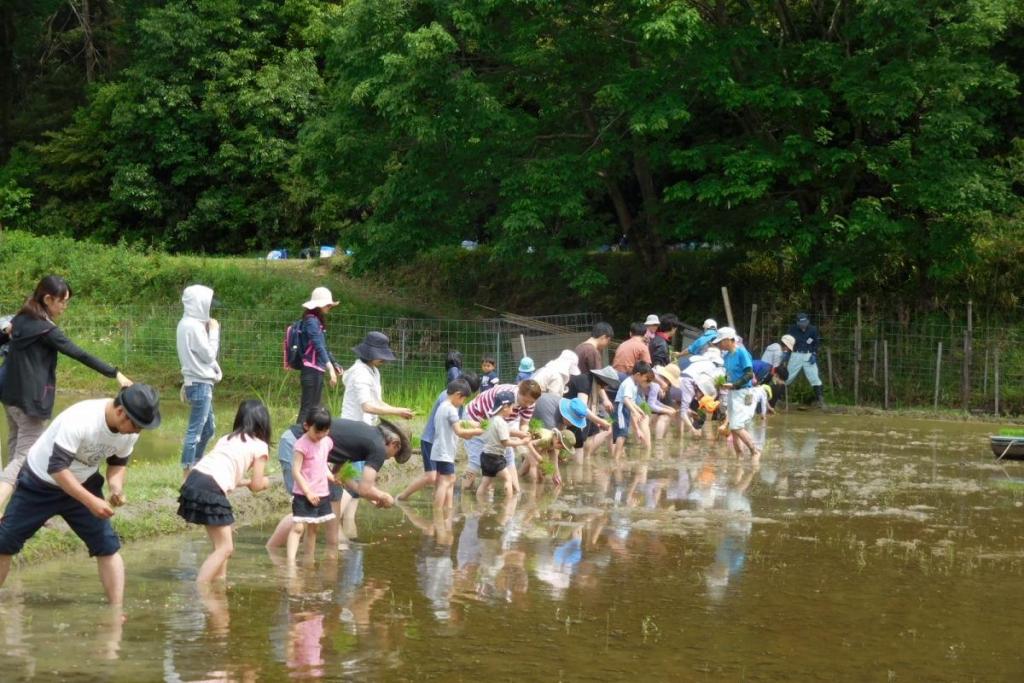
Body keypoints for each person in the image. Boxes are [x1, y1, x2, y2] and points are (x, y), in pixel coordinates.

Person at [0, 384, 161, 605]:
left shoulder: (130, 433)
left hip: (84, 480)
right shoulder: (81, 419)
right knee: (4, 541)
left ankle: (116, 611)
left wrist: (116, 488)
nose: (137, 431)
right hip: (40, 482)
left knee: (107, 545)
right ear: (121, 412)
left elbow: (117, 464)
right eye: (136, 425)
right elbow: (57, 469)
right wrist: (90, 500)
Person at [0, 276, 132, 515]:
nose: (64, 307)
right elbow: (79, 353)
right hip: (31, 401)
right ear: (48, 299)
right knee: (25, 455)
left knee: (15, 447)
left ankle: (18, 506)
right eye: (62, 302)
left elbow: (6, 335)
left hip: (10, 396)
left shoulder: (21, 318)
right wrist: (115, 373)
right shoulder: (45, 329)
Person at [178, 399, 271, 583]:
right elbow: (257, 486)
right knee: (226, 548)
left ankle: (220, 583)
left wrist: (245, 482)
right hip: (210, 487)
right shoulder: (260, 446)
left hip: (194, 480)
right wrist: (266, 482)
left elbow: (227, 476)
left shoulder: (226, 438)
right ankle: (202, 588)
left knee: (220, 546)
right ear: (264, 423)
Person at [397, 373, 480, 502]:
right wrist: (473, 431)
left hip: (443, 443)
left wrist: (472, 426)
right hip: (432, 440)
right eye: (465, 395)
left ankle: (442, 508)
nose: (465, 399)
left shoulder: (454, 401)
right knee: (433, 477)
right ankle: (403, 497)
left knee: (444, 479)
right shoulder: (447, 400)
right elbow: (455, 424)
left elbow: (458, 422)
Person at [462, 380, 542, 492]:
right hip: (476, 418)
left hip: (497, 423)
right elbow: (492, 427)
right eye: (525, 401)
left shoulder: (529, 402)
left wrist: (525, 433)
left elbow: (524, 424)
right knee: (475, 460)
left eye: (531, 402)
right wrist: (519, 437)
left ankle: (516, 491)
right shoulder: (502, 398)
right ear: (519, 392)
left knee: (509, 456)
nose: (527, 405)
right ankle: (464, 489)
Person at [177, 284, 222, 476]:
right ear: (199, 304)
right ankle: (188, 472)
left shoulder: (186, 323)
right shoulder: (193, 327)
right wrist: (214, 331)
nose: (209, 309)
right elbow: (209, 355)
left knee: (209, 428)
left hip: (197, 381)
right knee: (195, 431)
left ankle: (196, 462)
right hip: (200, 384)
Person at [287, 407, 337, 564]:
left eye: (325, 431)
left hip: (321, 492)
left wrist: (331, 476)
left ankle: (309, 560)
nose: (321, 436)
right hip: (304, 493)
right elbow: (295, 471)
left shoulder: (326, 442)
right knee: (298, 527)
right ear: (307, 426)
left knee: (313, 528)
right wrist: (307, 492)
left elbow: (322, 464)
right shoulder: (301, 445)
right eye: (317, 432)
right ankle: (290, 562)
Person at [326, 418, 412, 508]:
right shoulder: (379, 449)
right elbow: (364, 490)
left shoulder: (368, 434)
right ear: (394, 444)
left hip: (315, 444)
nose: (392, 457)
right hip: (314, 452)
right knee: (335, 493)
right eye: (396, 454)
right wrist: (384, 497)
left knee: (334, 489)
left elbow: (339, 474)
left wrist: (371, 495)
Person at [342, 332, 415, 425]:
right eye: (379, 354)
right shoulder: (360, 373)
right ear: (369, 353)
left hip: (367, 424)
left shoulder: (374, 370)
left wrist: (399, 411)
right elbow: (367, 407)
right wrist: (397, 411)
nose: (383, 358)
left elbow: (377, 402)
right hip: (353, 425)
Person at [431, 379, 483, 510]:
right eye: (463, 399)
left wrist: (473, 424)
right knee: (446, 481)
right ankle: (437, 511)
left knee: (449, 479)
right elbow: (459, 431)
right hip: (444, 451)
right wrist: (477, 431)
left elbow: (457, 423)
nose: (463, 403)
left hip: (440, 450)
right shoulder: (452, 409)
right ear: (458, 395)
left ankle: (448, 508)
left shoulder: (443, 406)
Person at [296, 287, 343, 425]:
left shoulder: (316, 320)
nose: (329, 307)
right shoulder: (311, 321)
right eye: (327, 304)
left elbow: (324, 347)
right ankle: (294, 439)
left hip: (317, 370)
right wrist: (331, 369)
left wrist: (335, 364)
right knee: (307, 409)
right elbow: (318, 345)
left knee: (314, 409)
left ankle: (306, 441)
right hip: (310, 370)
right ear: (319, 305)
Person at [477, 392, 535, 499]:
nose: (513, 411)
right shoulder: (502, 422)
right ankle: (508, 503)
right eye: (512, 408)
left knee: (485, 481)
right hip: (495, 457)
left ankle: (479, 502)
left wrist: (520, 434)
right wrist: (522, 442)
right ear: (505, 407)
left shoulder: (491, 419)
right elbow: (506, 442)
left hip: (485, 455)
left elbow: (506, 431)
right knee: (508, 478)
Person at [714, 327, 761, 459]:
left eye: (721, 342)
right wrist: (723, 383)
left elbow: (749, 374)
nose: (719, 345)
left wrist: (734, 384)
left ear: (729, 340)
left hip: (744, 392)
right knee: (733, 428)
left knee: (736, 425)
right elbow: (729, 375)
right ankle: (739, 457)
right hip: (732, 393)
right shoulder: (727, 356)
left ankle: (755, 451)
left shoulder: (742, 353)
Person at [612, 361, 654, 458]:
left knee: (622, 433)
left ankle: (617, 456)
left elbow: (632, 401)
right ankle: (616, 458)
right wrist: (635, 411)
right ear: (638, 375)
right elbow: (626, 400)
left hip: (624, 409)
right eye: (646, 378)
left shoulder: (634, 384)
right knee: (622, 434)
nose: (646, 381)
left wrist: (639, 410)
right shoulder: (629, 383)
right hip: (621, 408)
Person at [785, 313, 825, 408]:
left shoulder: (813, 329)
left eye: (805, 322)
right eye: (801, 322)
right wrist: (787, 353)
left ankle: (820, 401)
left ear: (808, 321)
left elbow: (816, 342)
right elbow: (787, 342)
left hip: (808, 355)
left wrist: (814, 354)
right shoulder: (792, 329)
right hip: (795, 355)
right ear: (797, 322)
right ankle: (779, 398)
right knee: (788, 376)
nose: (803, 324)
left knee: (814, 377)